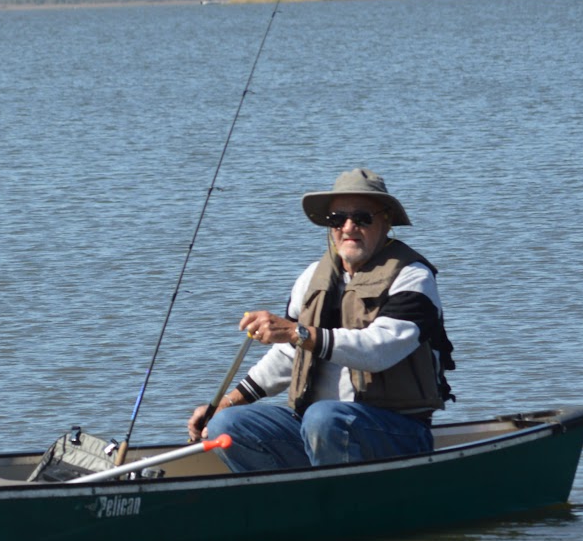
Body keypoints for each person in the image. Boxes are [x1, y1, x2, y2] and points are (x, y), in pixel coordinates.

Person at [187, 168, 455, 471]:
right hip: (318, 428)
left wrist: (297, 333)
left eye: (363, 217)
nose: (349, 227)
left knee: (324, 417)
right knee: (228, 425)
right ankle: (292, 500)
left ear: (387, 220)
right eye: (338, 219)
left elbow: (379, 350)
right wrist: (225, 402)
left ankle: (336, 501)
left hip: (398, 432)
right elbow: (289, 354)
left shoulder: (413, 277)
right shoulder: (311, 278)